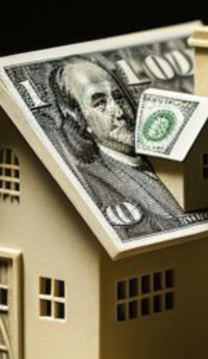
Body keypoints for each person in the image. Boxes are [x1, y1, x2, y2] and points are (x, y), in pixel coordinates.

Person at [48, 58, 183, 236]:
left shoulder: (169, 150)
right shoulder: (95, 184)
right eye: (100, 103)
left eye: (118, 96)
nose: (119, 111)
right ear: (80, 118)